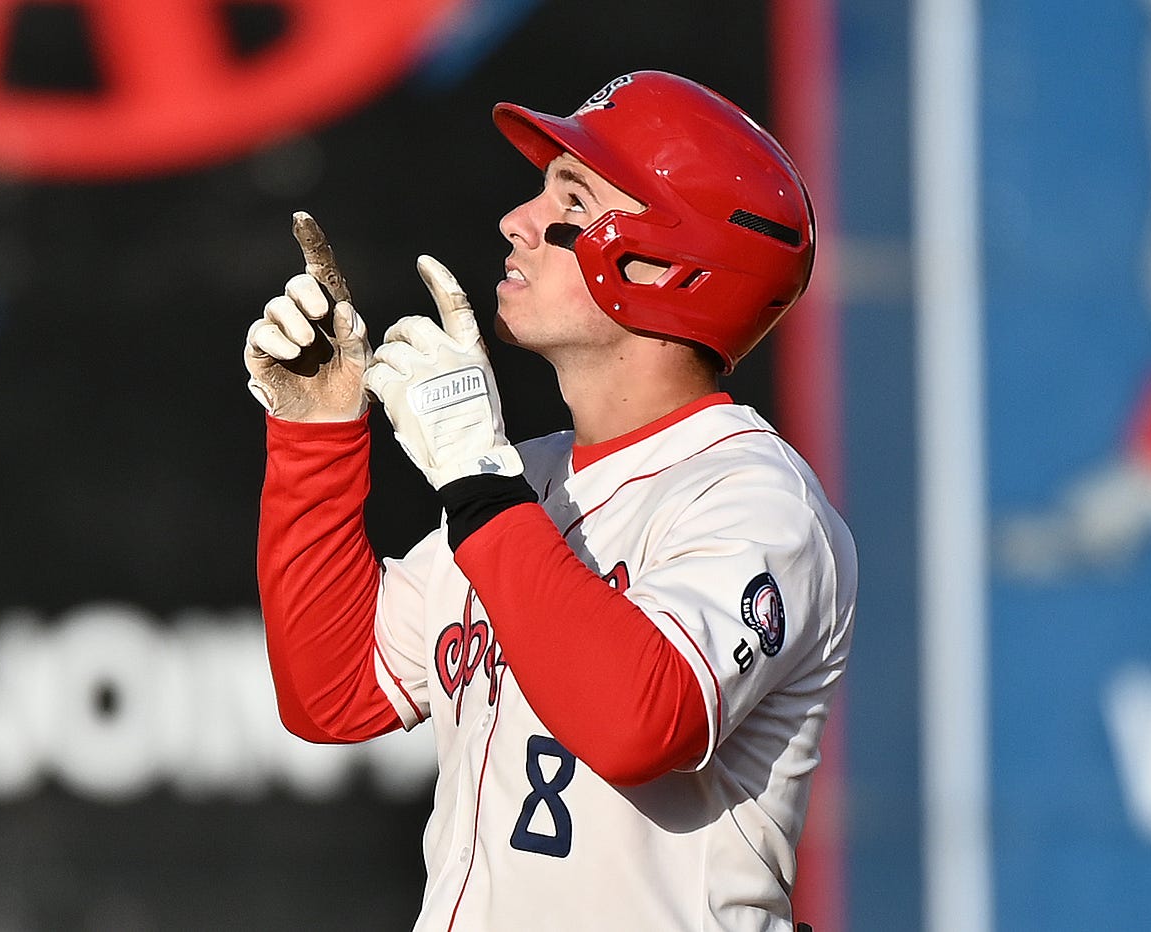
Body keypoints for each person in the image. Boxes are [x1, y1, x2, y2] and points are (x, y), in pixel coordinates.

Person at [243, 70, 856, 932]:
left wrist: (481, 487)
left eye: (569, 197)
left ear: (662, 261)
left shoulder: (753, 499)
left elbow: (645, 722)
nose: (516, 221)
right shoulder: (521, 479)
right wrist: (314, 437)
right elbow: (335, 692)